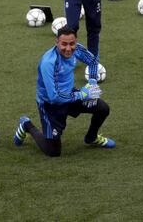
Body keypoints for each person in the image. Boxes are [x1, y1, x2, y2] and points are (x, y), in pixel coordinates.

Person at [13, 26, 115, 157]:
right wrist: (82, 94)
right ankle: (27, 125)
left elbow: (93, 61)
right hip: (50, 105)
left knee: (102, 108)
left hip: (70, 95)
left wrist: (92, 82)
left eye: (72, 44)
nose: (68, 48)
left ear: (76, 41)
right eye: (64, 44)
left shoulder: (77, 49)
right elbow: (54, 96)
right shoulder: (48, 63)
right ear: (57, 42)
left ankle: (91, 137)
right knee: (53, 152)